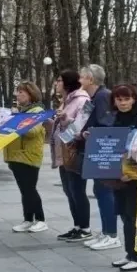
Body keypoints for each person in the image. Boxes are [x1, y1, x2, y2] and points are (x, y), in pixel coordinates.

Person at [75, 64, 119, 252]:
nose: (79, 80)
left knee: (104, 191)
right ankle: (106, 231)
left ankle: (112, 234)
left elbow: (107, 124)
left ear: (90, 79)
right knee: (100, 190)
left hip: (104, 151)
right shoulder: (95, 97)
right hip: (97, 148)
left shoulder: (102, 96)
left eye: (82, 77)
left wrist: (90, 132)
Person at [107, 85, 137, 272]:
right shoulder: (116, 118)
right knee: (124, 213)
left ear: (134, 99)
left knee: (133, 215)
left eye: (127, 99)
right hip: (119, 175)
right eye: (119, 99)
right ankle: (130, 253)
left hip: (134, 176)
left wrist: (131, 172)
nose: (123, 103)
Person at [51, 70, 92, 242]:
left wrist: (66, 118)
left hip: (75, 151)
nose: (57, 83)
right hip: (64, 152)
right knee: (69, 190)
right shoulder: (66, 101)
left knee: (77, 191)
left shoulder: (82, 100)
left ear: (68, 83)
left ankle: (85, 228)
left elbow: (81, 126)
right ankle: (77, 226)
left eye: (59, 80)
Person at [4, 82, 49, 234]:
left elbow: (32, 132)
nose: (17, 95)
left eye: (21, 92)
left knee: (30, 189)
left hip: (28, 156)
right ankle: (28, 219)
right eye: (17, 92)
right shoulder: (23, 111)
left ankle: (41, 220)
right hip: (16, 155)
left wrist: (15, 119)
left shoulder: (37, 111)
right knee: (24, 190)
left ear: (31, 95)